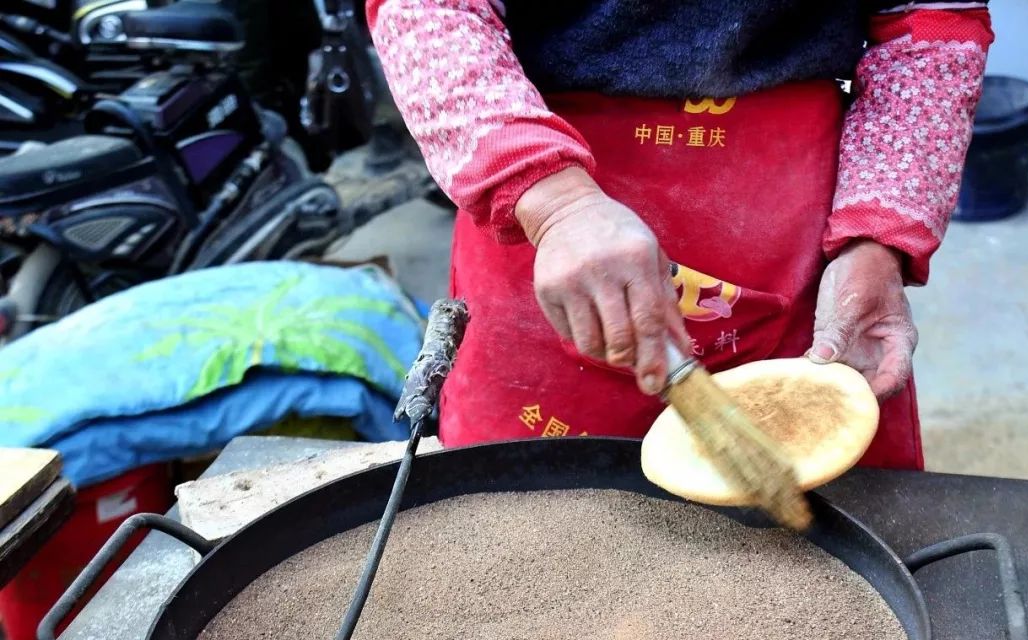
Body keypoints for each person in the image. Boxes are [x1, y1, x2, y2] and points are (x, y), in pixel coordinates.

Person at [366, 0, 993, 469]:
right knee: (524, 539)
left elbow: (930, 23)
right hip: (534, 182)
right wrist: (556, 205)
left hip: (789, 215)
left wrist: (876, 240)